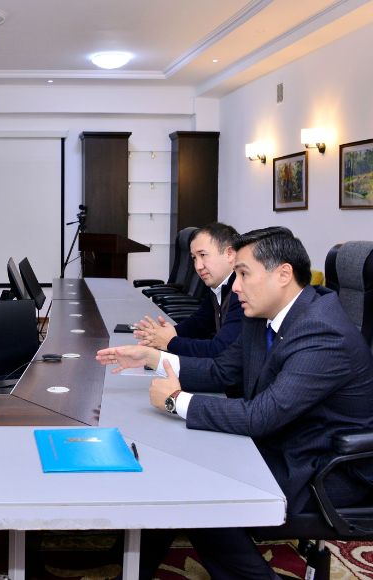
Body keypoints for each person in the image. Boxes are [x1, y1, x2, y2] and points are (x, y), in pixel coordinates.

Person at [97, 226, 373, 579]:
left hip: (322, 466)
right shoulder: (263, 315)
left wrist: (175, 402)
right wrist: (153, 359)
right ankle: (134, 567)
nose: (236, 286)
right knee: (178, 466)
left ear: (283, 274)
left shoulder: (322, 331)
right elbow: (222, 371)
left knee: (199, 493)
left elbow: (260, 416)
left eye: (243, 274)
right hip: (286, 440)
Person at [133, 222, 242, 358]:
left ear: (229, 254)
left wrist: (170, 342)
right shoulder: (220, 285)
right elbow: (200, 322)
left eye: (203, 255)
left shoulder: (242, 292)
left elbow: (220, 350)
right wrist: (167, 333)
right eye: (194, 258)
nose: (198, 266)